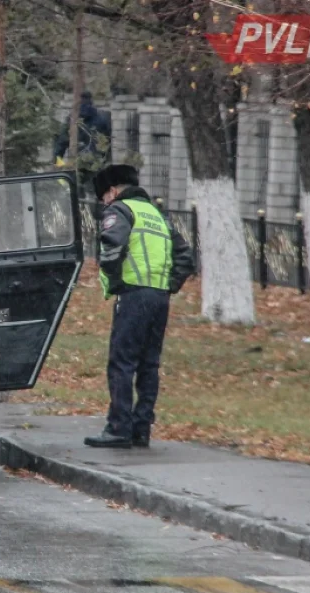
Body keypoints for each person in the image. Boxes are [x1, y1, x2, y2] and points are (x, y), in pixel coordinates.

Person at [83, 164, 194, 449]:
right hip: (159, 298)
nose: (103, 203)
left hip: (133, 296)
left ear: (112, 190)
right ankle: (141, 429)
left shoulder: (120, 210)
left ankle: (119, 428)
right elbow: (186, 257)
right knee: (149, 364)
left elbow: (112, 248)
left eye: (103, 196)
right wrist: (169, 286)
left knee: (121, 362)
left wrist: (116, 280)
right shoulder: (158, 215)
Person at [52, 91, 111, 195]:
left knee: (74, 192)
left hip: (75, 163)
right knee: (93, 193)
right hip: (95, 164)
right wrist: (103, 161)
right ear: (91, 100)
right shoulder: (101, 119)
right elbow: (106, 144)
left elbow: (61, 143)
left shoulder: (72, 119)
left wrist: (58, 161)